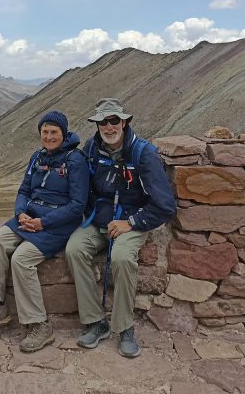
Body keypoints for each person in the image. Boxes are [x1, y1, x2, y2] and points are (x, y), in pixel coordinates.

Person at [65, 98, 176, 357]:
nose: (109, 126)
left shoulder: (143, 153)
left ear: (124, 122)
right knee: (74, 249)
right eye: (103, 121)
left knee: (123, 257)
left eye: (114, 120)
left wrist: (131, 223)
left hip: (132, 221)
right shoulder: (92, 148)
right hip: (99, 221)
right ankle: (96, 322)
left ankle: (125, 328)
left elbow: (165, 206)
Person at [0, 110, 89, 352]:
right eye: (45, 132)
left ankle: (39, 325)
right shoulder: (37, 157)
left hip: (57, 225)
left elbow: (78, 205)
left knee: (21, 259)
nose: (48, 136)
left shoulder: (75, 160)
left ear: (64, 133)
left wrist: (43, 223)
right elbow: (23, 191)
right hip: (29, 217)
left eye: (54, 132)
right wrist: (21, 214)